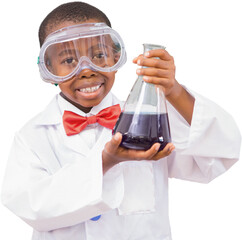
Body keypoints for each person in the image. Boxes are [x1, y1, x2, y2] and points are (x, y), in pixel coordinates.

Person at [1, 1, 241, 240]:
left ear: (116, 57)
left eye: (99, 55)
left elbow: (218, 156)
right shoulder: (32, 136)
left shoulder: (150, 117)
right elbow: (32, 207)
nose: (86, 70)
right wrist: (105, 162)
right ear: (47, 69)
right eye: (68, 61)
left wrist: (174, 92)